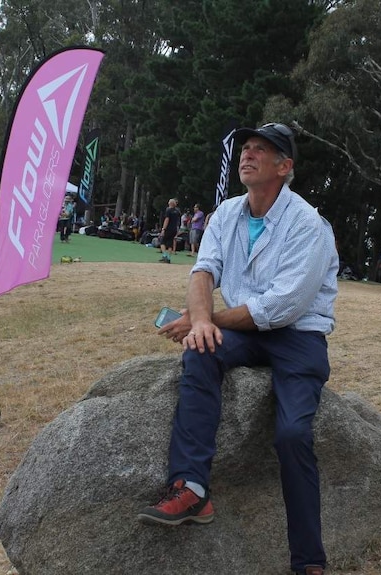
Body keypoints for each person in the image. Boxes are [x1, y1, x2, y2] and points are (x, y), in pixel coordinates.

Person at [138, 123, 339, 575]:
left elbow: (281, 307)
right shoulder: (227, 213)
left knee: (292, 435)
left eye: (261, 150)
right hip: (245, 330)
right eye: (246, 148)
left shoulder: (309, 225)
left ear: (284, 167)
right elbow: (203, 272)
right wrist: (202, 321)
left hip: (299, 336)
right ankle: (190, 489)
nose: (247, 155)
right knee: (200, 350)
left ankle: (309, 562)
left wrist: (203, 319)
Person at [158, 198, 181, 263]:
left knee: (162, 241)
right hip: (174, 229)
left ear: (170, 203)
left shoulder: (168, 210)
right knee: (170, 243)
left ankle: (164, 255)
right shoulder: (177, 212)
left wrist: (163, 229)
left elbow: (167, 220)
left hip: (168, 228)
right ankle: (168, 257)